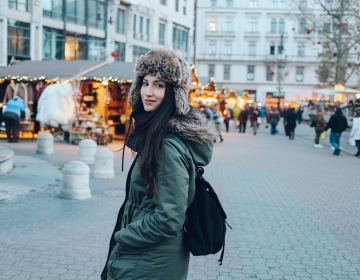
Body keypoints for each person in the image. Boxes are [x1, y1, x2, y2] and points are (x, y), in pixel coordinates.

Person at [101, 49, 217, 280]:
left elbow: (168, 219)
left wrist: (124, 236)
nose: (148, 92)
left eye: (159, 85)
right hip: (149, 258)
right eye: (145, 83)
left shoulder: (165, 146)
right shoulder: (158, 136)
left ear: (175, 92)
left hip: (147, 262)